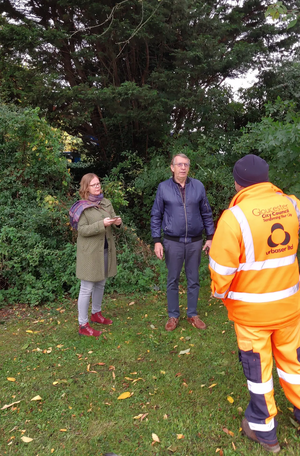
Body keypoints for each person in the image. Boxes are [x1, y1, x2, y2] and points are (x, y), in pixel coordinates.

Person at [209, 154, 300, 453]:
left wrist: (219, 293)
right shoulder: (293, 204)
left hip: (252, 315)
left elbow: (222, 270)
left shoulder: (234, 217)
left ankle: (264, 429)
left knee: (259, 373)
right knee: (294, 365)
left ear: (237, 183)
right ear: (266, 177)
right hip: (289, 307)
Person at [151, 153, 215, 331]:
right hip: (173, 241)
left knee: (193, 279)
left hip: (195, 241)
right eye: (179, 164)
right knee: (173, 279)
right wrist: (157, 240)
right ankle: (173, 315)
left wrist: (210, 237)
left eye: (186, 164)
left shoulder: (198, 186)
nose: (183, 167)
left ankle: (192, 314)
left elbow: (206, 213)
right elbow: (156, 215)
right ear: (172, 167)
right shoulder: (163, 188)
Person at [69, 173, 122, 337]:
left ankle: (96, 313)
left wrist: (118, 223)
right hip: (90, 253)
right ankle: (83, 324)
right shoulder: (81, 207)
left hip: (105, 250)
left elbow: (113, 220)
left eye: (98, 183)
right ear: (86, 188)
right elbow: (82, 230)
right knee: (86, 288)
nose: (98, 187)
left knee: (101, 283)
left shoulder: (106, 202)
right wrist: (101, 224)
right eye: (94, 185)